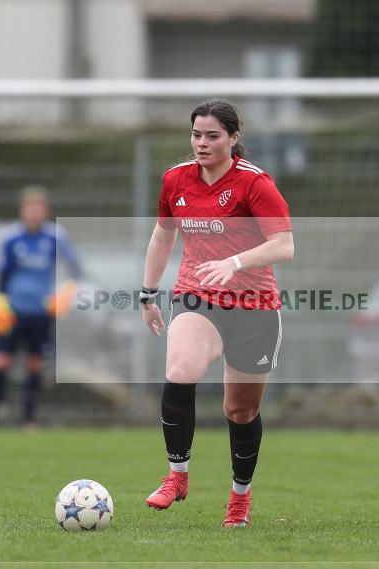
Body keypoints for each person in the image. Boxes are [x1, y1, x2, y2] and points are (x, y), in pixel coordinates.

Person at [139, 99, 294, 528]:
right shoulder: (176, 179)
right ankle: (177, 476)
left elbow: (284, 245)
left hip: (254, 306)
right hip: (197, 295)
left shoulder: (255, 183)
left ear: (233, 138)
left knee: (239, 411)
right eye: (196, 135)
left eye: (212, 136)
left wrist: (236, 262)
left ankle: (239, 499)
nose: (202, 144)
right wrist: (148, 294)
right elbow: (161, 236)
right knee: (180, 369)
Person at [0, 185, 82, 428]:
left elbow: (75, 268)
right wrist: (0, 302)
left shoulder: (56, 236)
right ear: (22, 210)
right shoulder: (11, 237)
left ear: (46, 211)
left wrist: (66, 293)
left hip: (41, 311)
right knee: (1, 361)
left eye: (39, 207)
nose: (34, 212)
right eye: (30, 207)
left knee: (35, 363)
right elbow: (1, 273)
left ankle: (28, 417)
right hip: (12, 311)